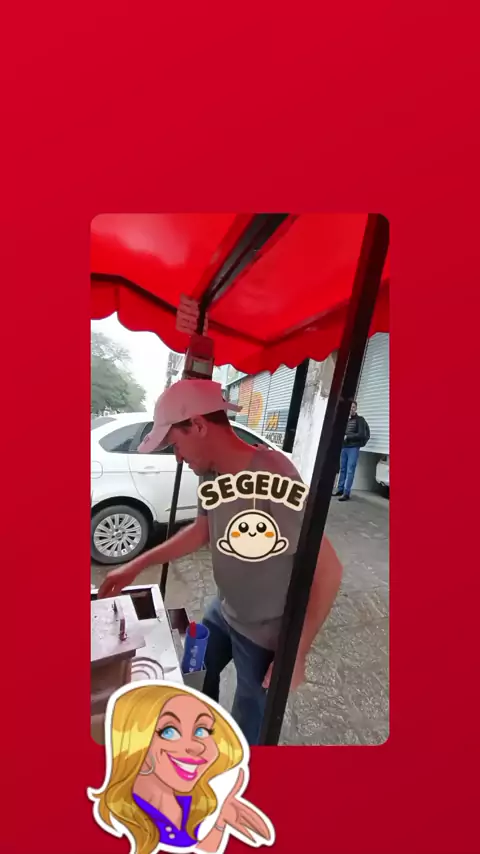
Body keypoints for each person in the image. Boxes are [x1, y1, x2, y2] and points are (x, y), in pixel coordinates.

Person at [98, 379, 343, 745]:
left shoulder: (273, 473)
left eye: (175, 444)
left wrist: (297, 652)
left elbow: (329, 570)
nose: (178, 457)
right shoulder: (210, 473)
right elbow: (203, 529)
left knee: (250, 722)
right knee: (194, 679)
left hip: (265, 631)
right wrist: (135, 565)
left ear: (198, 425)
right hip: (224, 610)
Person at [88, 682, 274, 853]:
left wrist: (220, 821)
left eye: (202, 730)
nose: (196, 746)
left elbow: (201, 848)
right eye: (169, 732)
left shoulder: (192, 800)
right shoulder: (119, 817)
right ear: (135, 742)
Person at [334, 401, 370, 502]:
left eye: (353, 407)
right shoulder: (345, 420)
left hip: (353, 448)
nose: (351, 409)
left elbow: (361, 434)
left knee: (350, 470)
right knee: (343, 469)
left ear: (356, 408)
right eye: (350, 407)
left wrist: (348, 437)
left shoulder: (360, 420)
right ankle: (340, 490)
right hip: (344, 447)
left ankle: (346, 493)